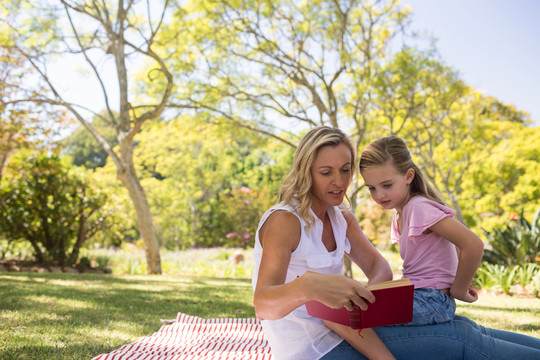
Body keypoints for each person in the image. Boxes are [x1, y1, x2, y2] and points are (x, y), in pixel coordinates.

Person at [252, 126, 540, 360]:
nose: (340, 182)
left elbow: (378, 265)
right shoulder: (285, 221)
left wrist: (366, 297)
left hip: (350, 328)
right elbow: (263, 305)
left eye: (346, 169)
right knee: (457, 340)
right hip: (313, 349)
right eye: (326, 172)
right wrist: (307, 287)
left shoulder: (340, 216)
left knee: (463, 328)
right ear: (307, 172)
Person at [359, 135, 483, 326]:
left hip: (430, 300)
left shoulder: (418, 207)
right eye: (372, 188)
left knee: (362, 319)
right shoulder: (401, 214)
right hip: (417, 295)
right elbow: (453, 245)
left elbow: (472, 244)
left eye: (387, 185)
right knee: (355, 308)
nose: (379, 194)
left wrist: (460, 288)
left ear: (409, 176)